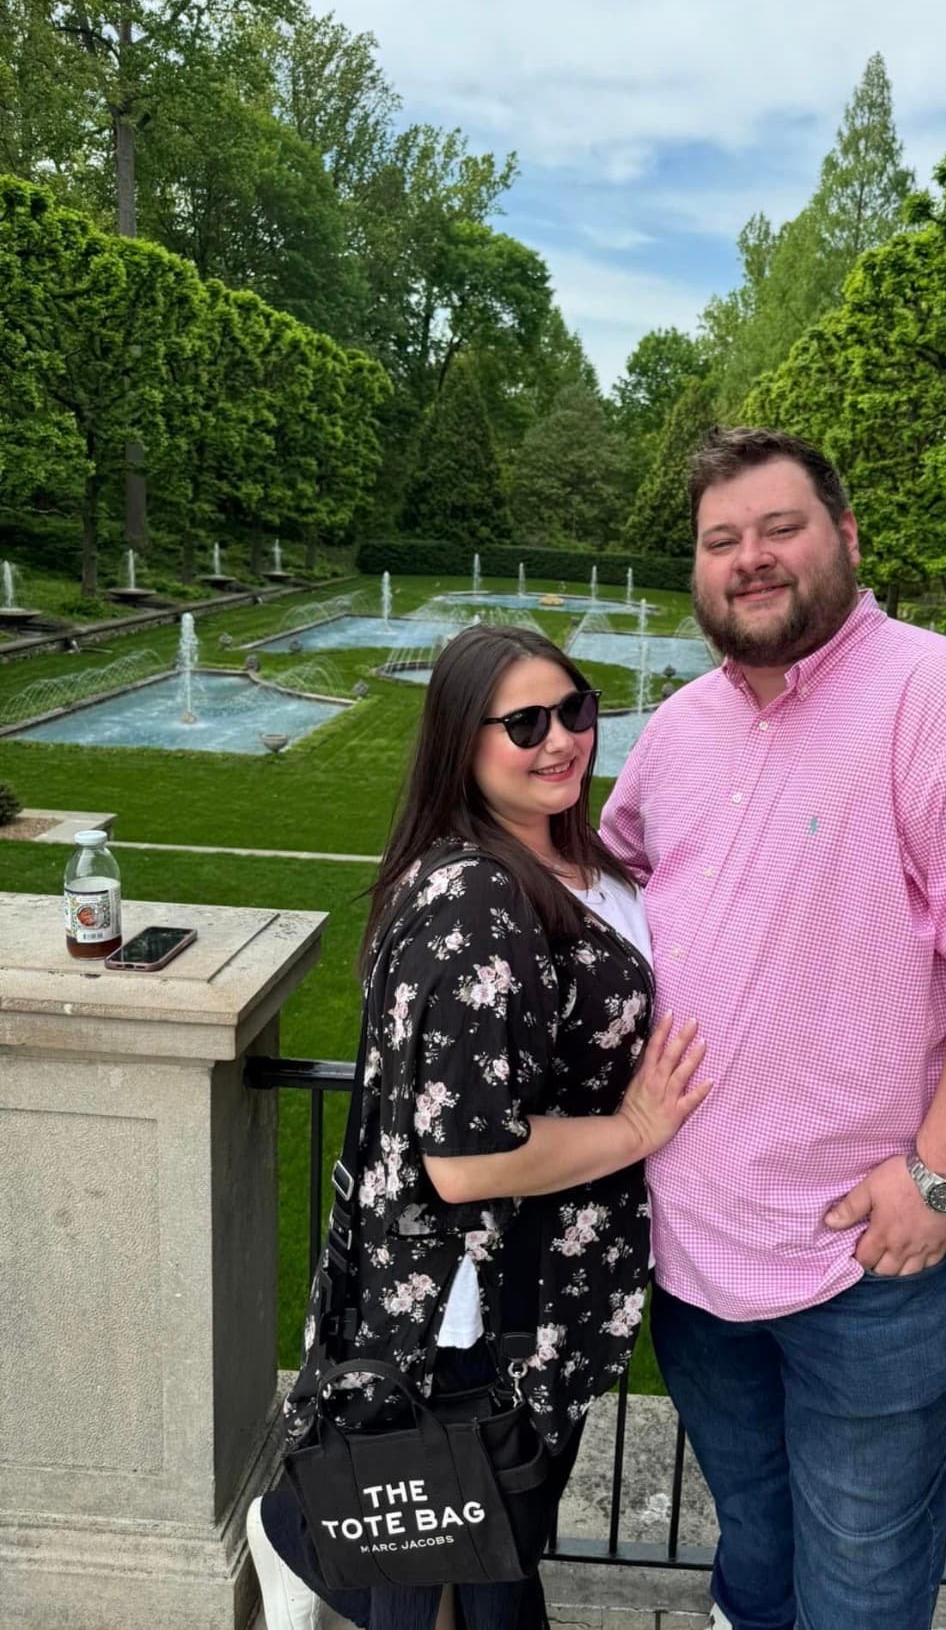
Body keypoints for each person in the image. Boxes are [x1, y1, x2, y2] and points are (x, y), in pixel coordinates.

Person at [600, 427, 946, 1630]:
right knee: (756, 1542)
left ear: (846, 539)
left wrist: (938, 1179)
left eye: (781, 528)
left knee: (861, 1578)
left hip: (875, 1261)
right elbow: (599, 883)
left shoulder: (943, 697)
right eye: (722, 540)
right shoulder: (679, 727)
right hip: (698, 1249)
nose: (751, 559)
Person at [248, 625, 709, 1630]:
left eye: (576, 709)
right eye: (525, 723)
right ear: (463, 741)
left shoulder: (575, 858)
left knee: (487, 1556)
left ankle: (294, 1531)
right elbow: (464, 1160)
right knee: (475, 1572)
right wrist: (636, 1128)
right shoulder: (479, 901)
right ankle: (291, 1530)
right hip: (482, 1314)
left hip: (549, 1293)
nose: (562, 741)